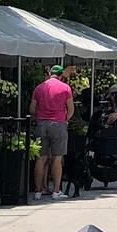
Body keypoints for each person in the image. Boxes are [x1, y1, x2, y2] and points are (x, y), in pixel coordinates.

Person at [29, 64, 74, 198]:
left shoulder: (39, 88)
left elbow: (32, 109)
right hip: (58, 124)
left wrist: (39, 117)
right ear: (61, 75)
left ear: (50, 74)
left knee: (40, 158)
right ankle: (56, 190)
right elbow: (71, 109)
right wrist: (65, 118)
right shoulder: (65, 88)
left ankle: (37, 191)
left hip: (42, 124)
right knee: (57, 158)